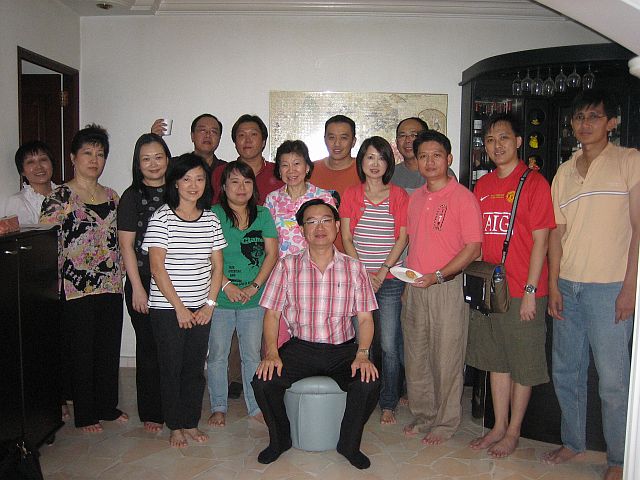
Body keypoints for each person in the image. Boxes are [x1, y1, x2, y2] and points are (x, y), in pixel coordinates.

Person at [543, 90, 639, 480]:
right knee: (566, 371)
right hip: (568, 285)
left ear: (611, 122)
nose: (585, 124)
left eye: (594, 116)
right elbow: (556, 234)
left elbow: (638, 229)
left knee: (613, 382)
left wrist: (630, 287)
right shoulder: (564, 172)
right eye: (579, 117)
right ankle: (574, 442)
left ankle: (618, 458)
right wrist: (553, 284)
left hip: (610, 288)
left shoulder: (629, 161)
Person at [251, 199, 380, 470]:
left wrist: (363, 354)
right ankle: (280, 440)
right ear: (302, 230)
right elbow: (272, 314)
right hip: (301, 348)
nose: (319, 227)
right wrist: (271, 353)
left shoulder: (355, 268)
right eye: (311, 222)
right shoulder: (286, 266)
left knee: (369, 383)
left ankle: (349, 444)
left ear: (337, 226)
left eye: (325, 221)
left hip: (342, 349)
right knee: (263, 381)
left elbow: (365, 319)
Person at [465, 113, 555, 457]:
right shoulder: (483, 186)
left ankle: (514, 430)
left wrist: (531, 292)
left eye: (503, 138)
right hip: (491, 289)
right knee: (496, 361)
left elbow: (542, 241)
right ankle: (498, 425)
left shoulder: (534, 183)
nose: (496, 145)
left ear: (518, 141)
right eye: (490, 140)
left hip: (522, 290)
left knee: (523, 363)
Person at [40, 124, 127, 433]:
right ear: (73, 157)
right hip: (75, 287)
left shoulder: (112, 196)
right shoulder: (59, 197)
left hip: (111, 283)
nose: (94, 160)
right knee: (81, 351)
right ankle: (86, 414)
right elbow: (46, 244)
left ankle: (106, 406)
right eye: (87, 153)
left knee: (108, 347)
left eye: (100, 154)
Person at [402, 130, 482, 446]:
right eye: (423, 156)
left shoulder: (462, 197)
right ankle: (424, 415)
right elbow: (413, 244)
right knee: (417, 355)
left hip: (446, 286)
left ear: (448, 158)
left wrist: (437, 275)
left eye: (436, 155)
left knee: (447, 358)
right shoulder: (416, 198)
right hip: (415, 286)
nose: (430, 161)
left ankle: (445, 423)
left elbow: (473, 248)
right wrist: (409, 283)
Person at [142, 153, 226, 448]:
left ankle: (190, 422)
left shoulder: (211, 219)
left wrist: (209, 305)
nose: (193, 185)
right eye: (187, 178)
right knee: (171, 367)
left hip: (201, 308)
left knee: (194, 367)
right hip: (168, 309)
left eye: (200, 179)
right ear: (175, 183)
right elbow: (157, 267)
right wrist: (179, 308)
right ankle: (175, 426)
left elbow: (218, 266)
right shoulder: (162, 217)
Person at [339, 136, 409, 425]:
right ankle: (361, 398)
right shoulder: (351, 194)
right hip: (358, 279)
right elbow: (346, 237)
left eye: (381, 158)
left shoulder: (399, 195)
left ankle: (388, 401)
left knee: (390, 344)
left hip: (389, 280)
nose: (375, 163)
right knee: (361, 343)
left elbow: (402, 238)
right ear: (361, 162)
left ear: (388, 163)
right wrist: (362, 272)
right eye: (370, 157)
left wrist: (381, 272)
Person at [207, 161, 278, 427]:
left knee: (252, 355)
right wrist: (227, 285)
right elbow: (206, 254)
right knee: (218, 355)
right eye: (234, 181)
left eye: (247, 182)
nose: (241, 187)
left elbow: (271, 254)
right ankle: (218, 406)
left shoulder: (263, 214)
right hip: (220, 298)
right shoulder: (213, 214)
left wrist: (254, 287)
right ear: (224, 187)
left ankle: (255, 405)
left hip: (253, 299)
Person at [117, 133, 171, 433]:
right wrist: (137, 287)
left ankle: (173, 404)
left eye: (158, 157)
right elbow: (127, 246)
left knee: (172, 346)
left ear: (168, 160)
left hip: (177, 282)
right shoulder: (131, 196)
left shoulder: (179, 191)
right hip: (144, 281)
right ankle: (152, 410)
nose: (153, 164)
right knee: (149, 347)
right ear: (138, 164)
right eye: (146, 159)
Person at [264, 140, 336, 346]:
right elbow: (268, 242)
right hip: (281, 276)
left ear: (307, 167)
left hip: (315, 276)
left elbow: (330, 236)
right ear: (279, 170)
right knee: (279, 338)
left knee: (313, 333)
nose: (291, 170)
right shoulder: (272, 200)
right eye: (285, 165)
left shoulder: (323, 197)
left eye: (297, 163)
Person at [309, 115, 361, 251]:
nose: (337, 144)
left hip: (358, 253)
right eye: (331, 137)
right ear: (324, 139)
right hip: (317, 253)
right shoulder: (309, 171)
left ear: (353, 141)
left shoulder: (365, 170)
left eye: (344, 138)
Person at [212, 114, 283, 205]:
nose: (247, 140)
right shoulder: (221, 172)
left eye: (253, 134)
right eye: (241, 135)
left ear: (263, 142)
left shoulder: (279, 172)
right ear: (235, 143)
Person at [392, 117, 456, 194]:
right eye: (402, 136)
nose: (407, 140)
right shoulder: (390, 174)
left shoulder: (443, 173)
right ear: (396, 142)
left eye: (413, 135)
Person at [3, 140, 57, 224]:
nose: (39, 166)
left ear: (52, 164)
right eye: (30, 162)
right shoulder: (17, 201)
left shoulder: (68, 193)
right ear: (22, 171)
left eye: (43, 159)